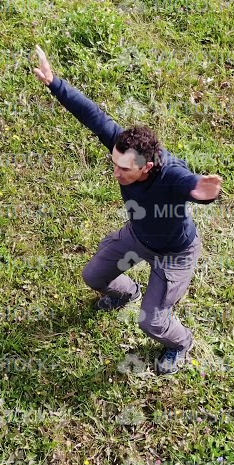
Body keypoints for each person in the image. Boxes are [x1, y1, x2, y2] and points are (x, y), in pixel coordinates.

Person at [31, 45, 223, 374]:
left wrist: (203, 193)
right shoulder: (126, 149)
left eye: (124, 171)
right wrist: (55, 83)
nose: (117, 174)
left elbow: (191, 185)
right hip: (137, 236)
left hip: (173, 254)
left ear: (147, 167)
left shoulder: (171, 173)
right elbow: (94, 116)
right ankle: (127, 292)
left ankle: (181, 344)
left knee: (151, 323)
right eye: (114, 165)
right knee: (93, 276)